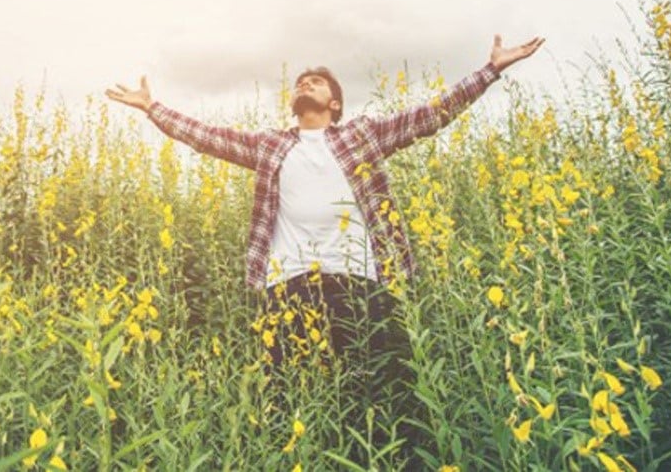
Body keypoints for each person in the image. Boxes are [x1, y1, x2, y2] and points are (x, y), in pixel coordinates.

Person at [105, 34, 544, 462]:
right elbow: (206, 136)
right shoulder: (271, 145)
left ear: (335, 103)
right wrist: (153, 109)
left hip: (356, 281)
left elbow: (430, 115)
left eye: (315, 83)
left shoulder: (362, 136)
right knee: (284, 394)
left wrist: (490, 70)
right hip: (287, 283)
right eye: (300, 82)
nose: (304, 85)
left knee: (372, 391)